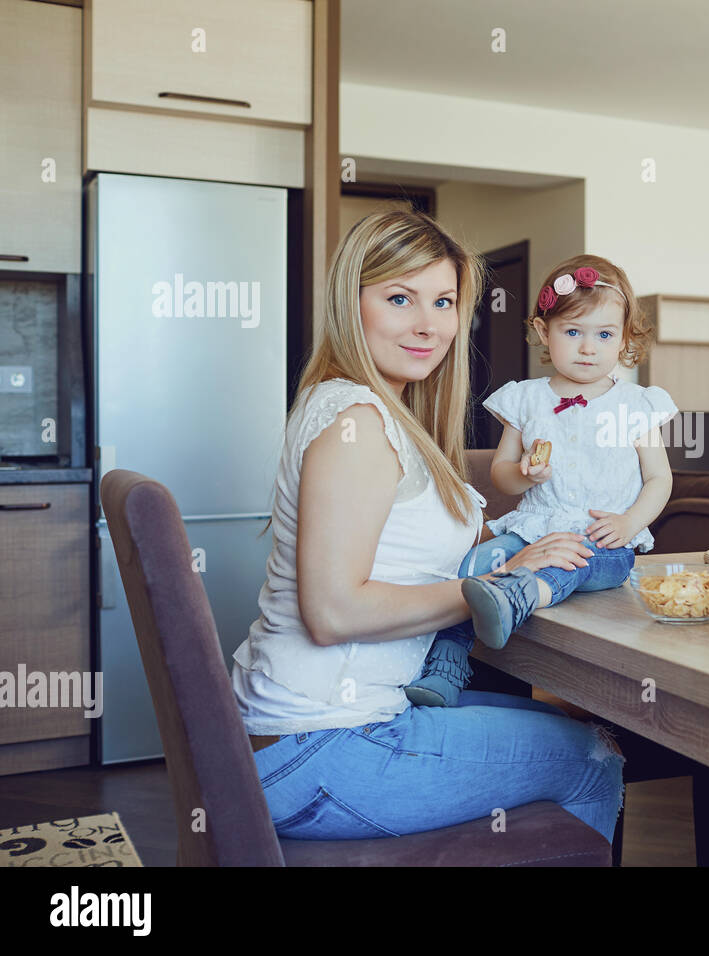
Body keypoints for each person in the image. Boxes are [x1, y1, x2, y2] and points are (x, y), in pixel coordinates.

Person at [230, 210, 623, 842]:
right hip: (323, 743)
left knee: (553, 723)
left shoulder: (371, 409)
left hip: (302, 730)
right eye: (399, 298)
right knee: (593, 757)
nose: (428, 325)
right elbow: (332, 611)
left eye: (442, 301)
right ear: (350, 304)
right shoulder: (355, 422)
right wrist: (498, 578)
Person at [404, 255, 676, 708]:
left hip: (600, 542)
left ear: (625, 338)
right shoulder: (527, 399)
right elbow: (502, 478)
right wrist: (522, 471)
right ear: (542, 331)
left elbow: (659, 479)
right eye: (573, 332)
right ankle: (446, 665)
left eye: (604, 335)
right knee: (472, 564)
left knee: (576, 560)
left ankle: (520, 594)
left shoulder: (637, 404)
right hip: (532, 530)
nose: (588, 348)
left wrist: (630, 523)